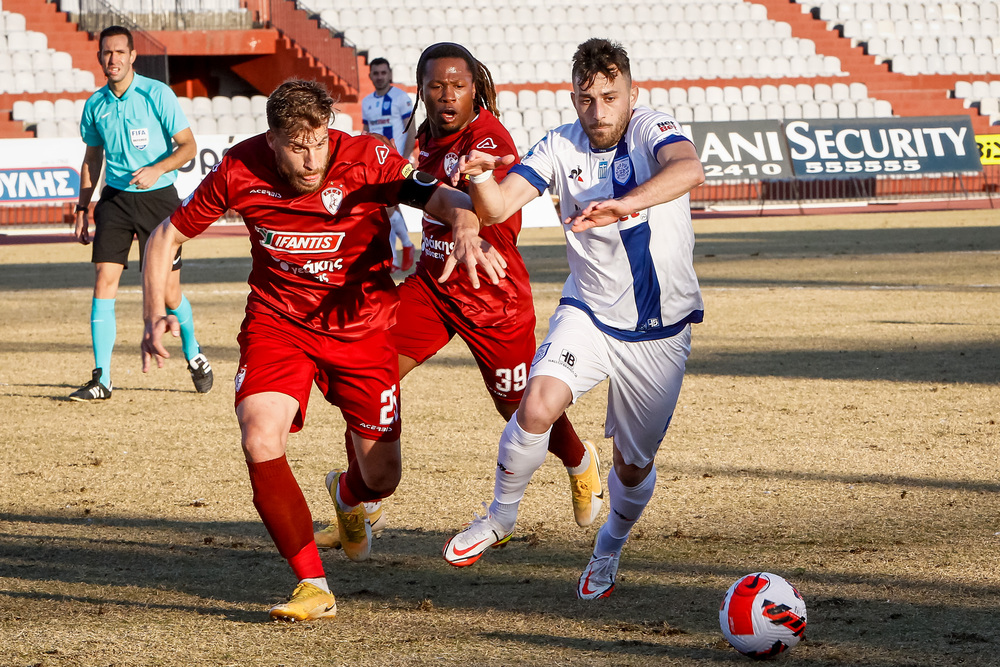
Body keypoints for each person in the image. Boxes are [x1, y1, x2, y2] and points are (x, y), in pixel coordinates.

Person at [140, 79, 505, 622]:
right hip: (279, 324)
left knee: (381, 478)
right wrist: (153, 312)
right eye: (297, 146)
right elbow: (165, 236)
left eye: (319, 142)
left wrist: (467, 228)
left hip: (362, 328)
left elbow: (448, 200)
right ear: (272, 139)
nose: (312, 159)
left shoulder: (368, 158)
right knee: (260, 436)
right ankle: (312, 584)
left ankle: (348, 493)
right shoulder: (238, 168)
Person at [314, 43, 601, 554]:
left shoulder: (488, 139)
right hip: (431, 287)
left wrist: (474, 196)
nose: (447, 96)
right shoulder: (425, 135)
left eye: (458, 86)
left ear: (474, 89)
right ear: (422, 91)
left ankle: (581, 463)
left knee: (520, 407)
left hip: (492, 295)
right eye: (436, 86)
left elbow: (484, 203)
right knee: (367, 374)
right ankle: (358, 497)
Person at [444, 38, 706, 600]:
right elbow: (497, 207)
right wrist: (481, 179)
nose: (599, 111)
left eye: (611, 97)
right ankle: (499, 518)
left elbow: (689, 169)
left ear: (631, 94)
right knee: (536, 404)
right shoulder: (559, 145)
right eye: (587, 100)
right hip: (588, 310)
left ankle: (608, 547)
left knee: (632, 467)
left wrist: (625, 204)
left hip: (659, 332)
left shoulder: (651, 128)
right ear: (573, 99)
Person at [71, 25, 212, 401]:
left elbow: (188, 146)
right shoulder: (95, 104)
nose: (113, 59)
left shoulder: (157, 93)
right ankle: (102, 378)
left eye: (120, 52)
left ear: (132, 56)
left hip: (158, 200)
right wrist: (82, 207)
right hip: (115, 200)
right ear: (99, 58)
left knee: (168, 293)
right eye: (107, 53)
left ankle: (194, 352)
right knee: (104, 281)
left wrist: (157, 168)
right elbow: (92, 157)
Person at [362, 57, 417, 272]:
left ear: (390, 74)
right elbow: (366, 133)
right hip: (376, 162)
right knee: (384, 207)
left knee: (388, 206)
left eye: (383, 73)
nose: (379, 77)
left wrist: (405, 158)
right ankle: (393, 258)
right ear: (370, 76)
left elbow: (410, 130)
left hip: (397, 160)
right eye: (376, 73)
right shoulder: (366, 102)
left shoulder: (401, 98)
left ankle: (407, 245)